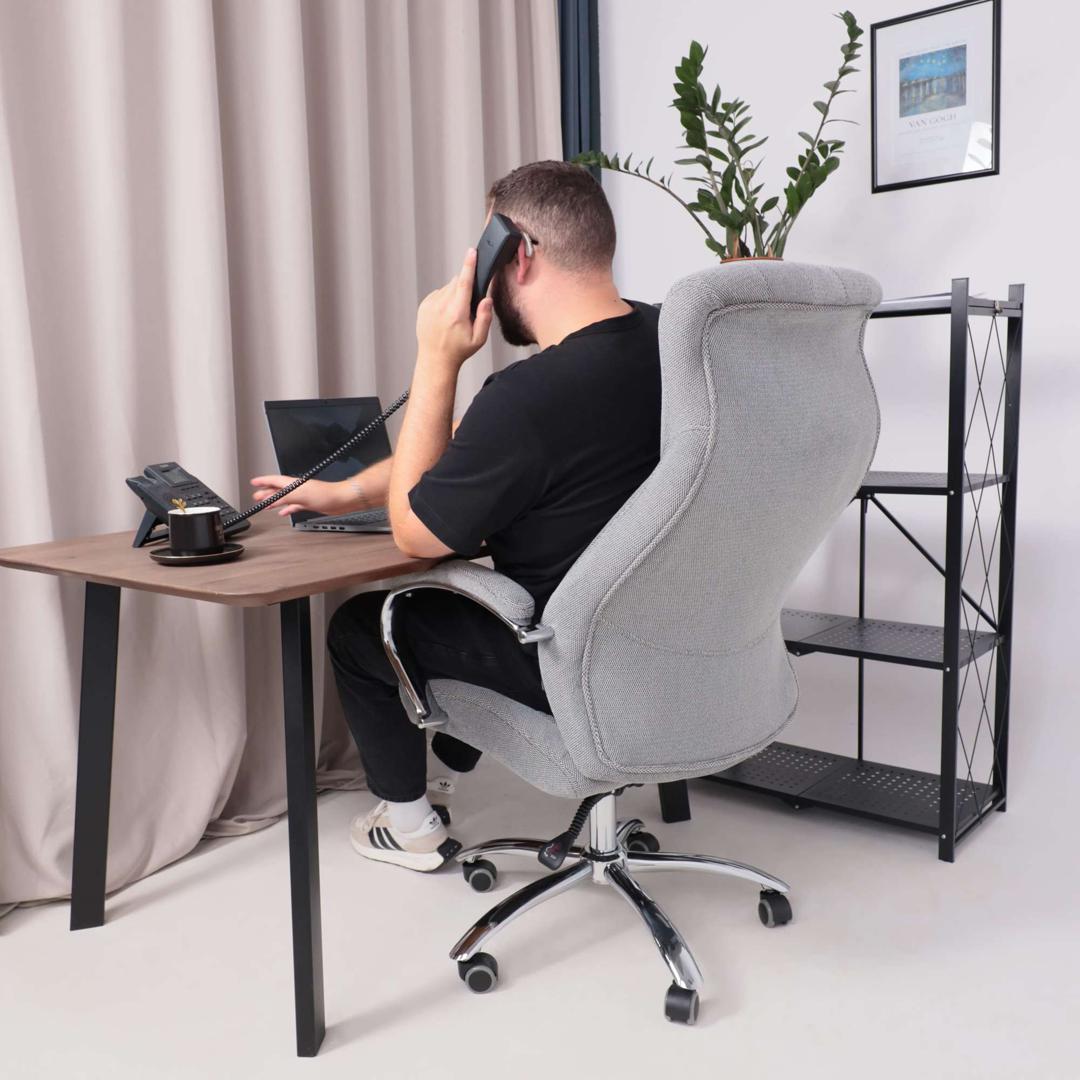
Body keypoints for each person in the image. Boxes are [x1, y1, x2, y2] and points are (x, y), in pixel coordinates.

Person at [250, 160, 661, 871]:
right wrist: (343, 493)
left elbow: (416, 534)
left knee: (361, 627)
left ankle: (406, 826)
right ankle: (453, 752)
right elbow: (467, 444)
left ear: (516, 254)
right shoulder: (668, 342)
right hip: (665, 645)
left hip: (565, 657)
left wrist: (435, 361)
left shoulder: (527, 396)